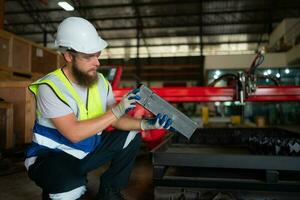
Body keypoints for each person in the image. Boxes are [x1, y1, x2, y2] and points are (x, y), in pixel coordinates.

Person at [24, 17, 172, 200]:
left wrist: (146, 124)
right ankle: (57, 188)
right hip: (51, 157)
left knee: (132, 134)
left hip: (87, 150)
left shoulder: (100, 82)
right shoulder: (51, 88)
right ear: (68, 56)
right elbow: (74, 133)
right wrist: (117, 110)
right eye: (88, 57)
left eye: (97, 54)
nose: (97, 63)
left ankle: (110, 191)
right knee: (70, 189)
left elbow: (116, 121)